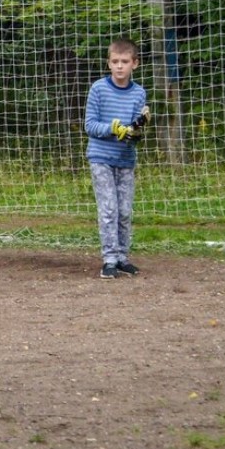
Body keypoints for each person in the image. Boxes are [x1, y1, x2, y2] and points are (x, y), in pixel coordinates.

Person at [85, 38, 149, 279]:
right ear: (108, 63)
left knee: (124, 211)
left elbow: (134, 134)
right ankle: (109, 259)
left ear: (135, 64)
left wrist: (135, 130)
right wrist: (113, 128)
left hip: (125, 159)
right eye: (115, 61)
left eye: (124, 61)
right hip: (100, 157)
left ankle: (122, 257)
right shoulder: (98, 89)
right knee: (109, 209)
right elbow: (90, 125)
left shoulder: (139, 93)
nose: (119, 66)